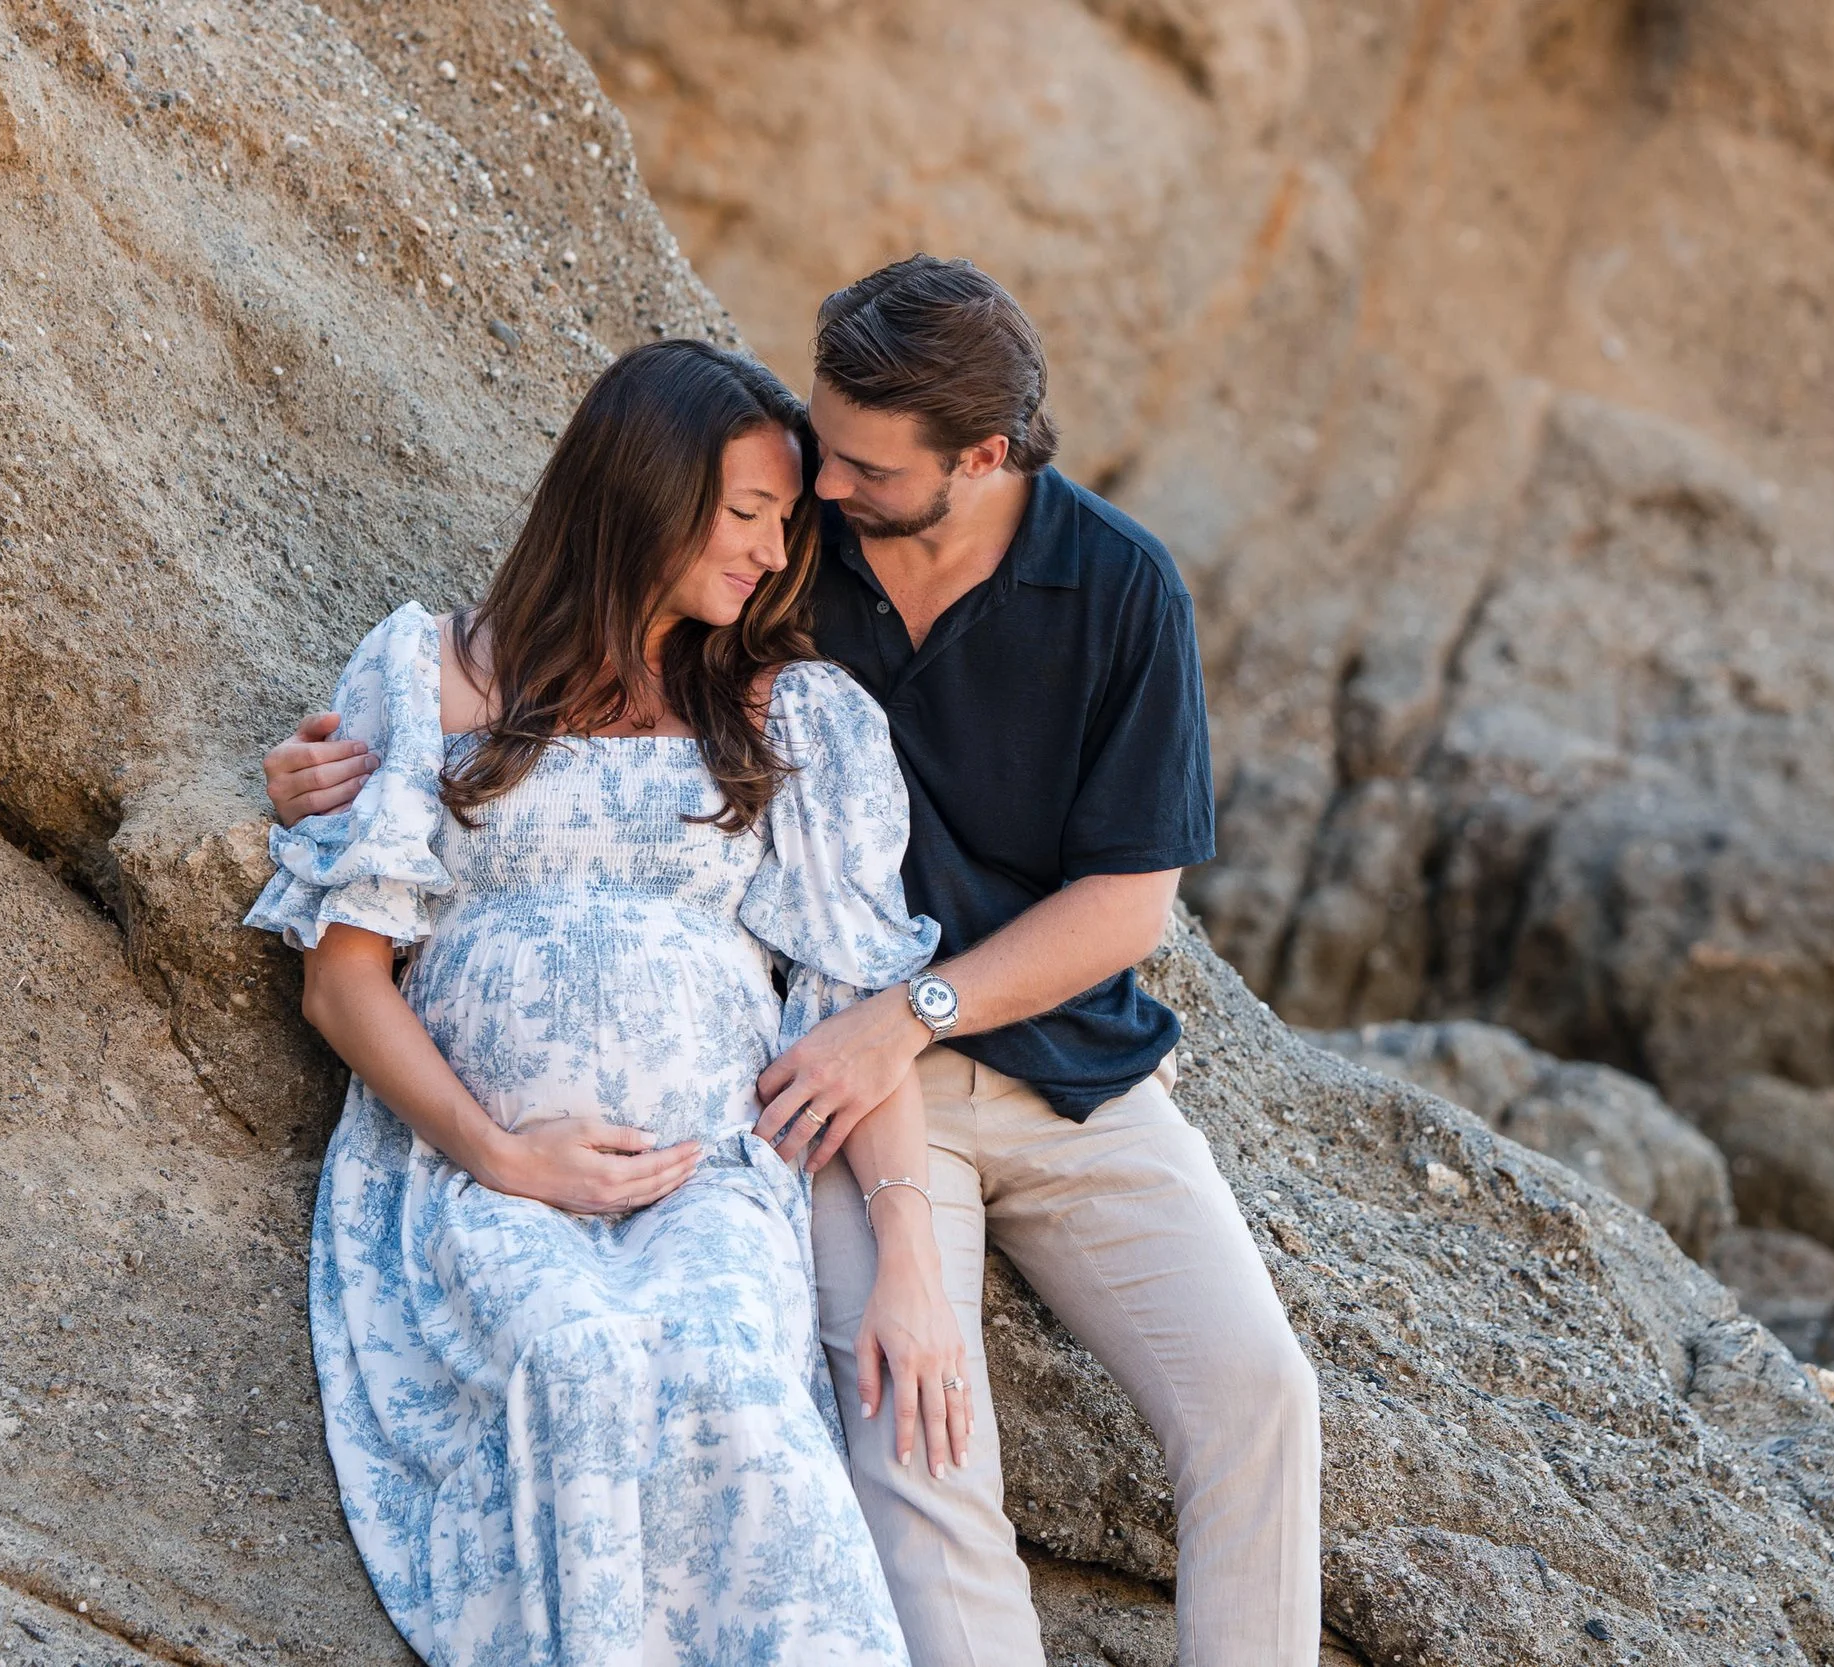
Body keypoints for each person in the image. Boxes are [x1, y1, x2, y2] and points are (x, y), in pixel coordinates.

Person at [265, 257, 1323, 1667]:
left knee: (1260, 1390)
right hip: (818, 1088)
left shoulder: (1103, 591)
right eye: (801, 464)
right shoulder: (778, 559)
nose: (815, 497)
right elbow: (577, 631)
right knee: (910, 1439)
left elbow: (1128, 904)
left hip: (1037, 1070)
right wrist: (319, 781)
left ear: (981, 458)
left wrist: (909, 1021)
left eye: (859, 467)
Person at [245, 339, 973, 1667]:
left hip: (708, 1171)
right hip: (481, 1169)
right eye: (745, 516)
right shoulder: (432, 673)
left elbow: (849, 1013)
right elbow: (342, 981)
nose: (768, 554)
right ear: (642, 488)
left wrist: (910, 1267)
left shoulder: (782, 709)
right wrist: (505, 1154)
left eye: (784, 526)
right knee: (576, 1362)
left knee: (732, 1378)